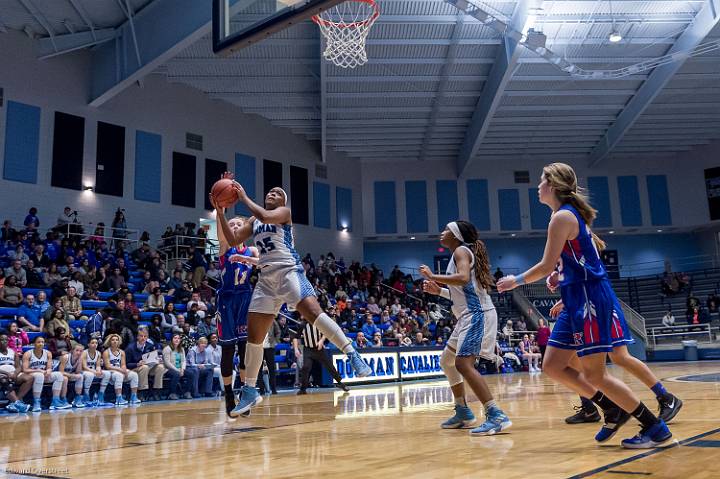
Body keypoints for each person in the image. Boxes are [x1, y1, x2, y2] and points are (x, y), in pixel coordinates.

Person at [496, 163, 673, 449]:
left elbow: (543, 265)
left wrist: (514, 280)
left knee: (595, 374)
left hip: (589, 299)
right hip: (576, 296)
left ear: (552, 185)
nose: (537, 186)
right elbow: (577, 257)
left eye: (541, 181)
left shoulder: (562, 217)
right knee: (552, 365)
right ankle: (611, 408)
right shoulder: (561, 215)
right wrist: (561, 273)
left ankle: (654, 427)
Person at [211, 174, 370, 416]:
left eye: (277, 193)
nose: (271, 194)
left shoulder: (283, 213)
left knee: (314, 314)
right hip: (266, 280)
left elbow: (265, 215)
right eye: (270, 192)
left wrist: (242, 196)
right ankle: (250, 390)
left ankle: (351, 353)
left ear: (283, 200)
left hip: (288, 272)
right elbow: (233, 240)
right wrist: (221, 211)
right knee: (254, 337)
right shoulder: (254, 219)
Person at [420, 220, 510, 435]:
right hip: (467, 316)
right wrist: (439, 291)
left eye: (446, 230)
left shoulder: (461, 250)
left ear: (456, 235)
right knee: (447, 361)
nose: (442, 233)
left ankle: (496, 415)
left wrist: (433, 276)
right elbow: (462, 292)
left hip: (478, 315)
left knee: (463, 364)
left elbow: (462, 278)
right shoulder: (459, 253)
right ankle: (462, 411)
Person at [211, 209, 258, 416]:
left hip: (245, 300)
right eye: (232, 225)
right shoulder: (224, 246)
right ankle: (229, 394)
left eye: (239, 224)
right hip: (227, 301)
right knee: (228, 351)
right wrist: (220, 210)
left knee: (244, 350)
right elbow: (221, 232)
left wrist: (267, 211)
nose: (236, 227)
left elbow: (265, 263)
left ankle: (244, 393)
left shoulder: (253, 250)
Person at [295, 318, 349, 394]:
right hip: (308, 349)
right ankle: (303, 388)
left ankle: (340, 383)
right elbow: (296, 337)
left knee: (329, 365)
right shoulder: (302, 325)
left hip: (319, 348)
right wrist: (296, 349)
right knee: (306, 367)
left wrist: (321, 341)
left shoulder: (319, 323)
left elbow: (325, 333)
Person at [21, 336, 69, 411]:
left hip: (43, 375)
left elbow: (49, 367)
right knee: (39, 375)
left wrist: (48, 371)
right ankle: (36, 402)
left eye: (42, 342)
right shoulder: (28, 354)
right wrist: (39, 370)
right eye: (39, 342)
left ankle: (55, 401)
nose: (41, 344)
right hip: (31, 375)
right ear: (34, 344)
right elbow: (25, 370)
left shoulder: (48, 353)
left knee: (59, 375)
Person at [125, 327, 166, 401]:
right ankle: (141, 392)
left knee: (160, 367)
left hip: (147, 367)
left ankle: (156, 391)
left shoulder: (150, 345)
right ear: (137, 337)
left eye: (145, 336)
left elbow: (152, 357)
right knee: (144, 367)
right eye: (141, 336)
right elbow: (126, 364)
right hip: (134, 369)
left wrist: (158, 360)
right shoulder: (130, 348)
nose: (143, 338)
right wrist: (137, 364)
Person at [102, 333, 140, 406]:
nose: (115, 341)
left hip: (119, 371)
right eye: (113, 340)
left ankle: (133, 397)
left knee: (134, 375)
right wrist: (120, 370)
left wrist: (124, 370)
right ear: (109, 341)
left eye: (116, 340)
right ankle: (118, 398)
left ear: (119, 341)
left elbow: (123, 364)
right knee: (119, 375)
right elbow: (108, 366)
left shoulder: (122, 352)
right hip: (110, 372)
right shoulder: (106, 352)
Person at [0, 330, 31, 413]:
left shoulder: (12, 351)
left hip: (13, 374)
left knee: (29, 378)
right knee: (3, 380)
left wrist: (15, 373)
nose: (4, 341)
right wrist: (7, 373)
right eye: (2, 340)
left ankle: (14, 402)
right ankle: (17, 403)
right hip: (2, 374)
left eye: (6, 340)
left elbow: (18, 366)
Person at [80, 337, 112, 405]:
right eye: (92, 343)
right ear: (88, 344)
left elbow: (98, 365)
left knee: (107, 373)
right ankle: (86, 394)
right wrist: (94, 372)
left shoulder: (98, 353)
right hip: (83, 371)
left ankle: (101, 394)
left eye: (96, 343)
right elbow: (84, 367)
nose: (95, 344)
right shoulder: (84, 353)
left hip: (92, 371)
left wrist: (98, 370)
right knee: (90, 375)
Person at [162, 333, 195, 400]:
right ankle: (172, 393)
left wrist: (182, 369)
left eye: (178, 338)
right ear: (172, 339)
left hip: (179, 369)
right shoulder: (167, 349)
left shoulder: (181, 349)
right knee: (176, 374)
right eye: (175, 338)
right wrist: (177, 370)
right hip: (168, 369)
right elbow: (167, 363)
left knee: (191, 374)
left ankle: (186, 392)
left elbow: (183, 361)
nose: (177, 340)